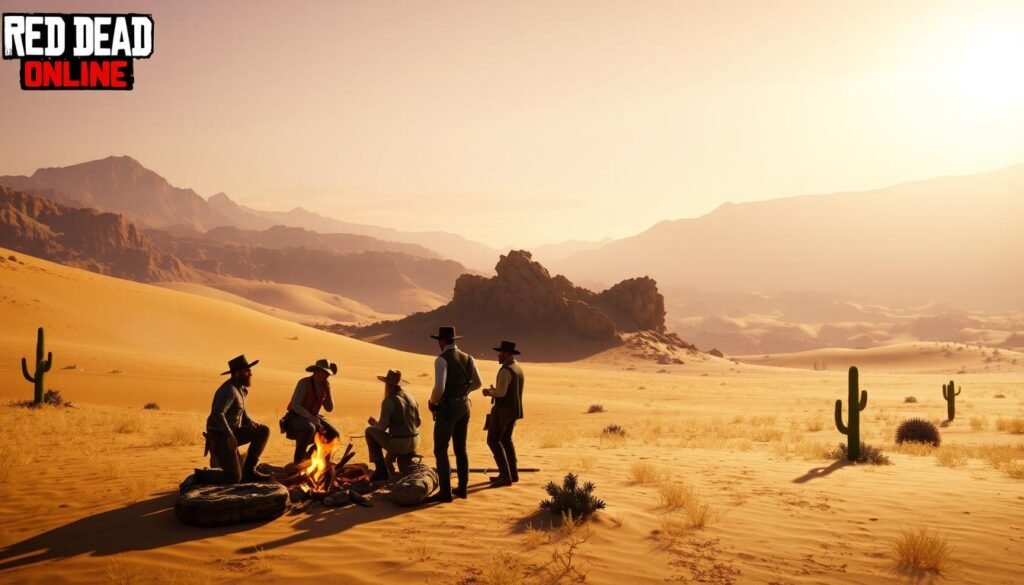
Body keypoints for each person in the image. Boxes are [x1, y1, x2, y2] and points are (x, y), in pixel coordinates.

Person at [425, 326, 482, 503]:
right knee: (461, 448)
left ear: (442, 341)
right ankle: (463, 488)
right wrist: (463, 392)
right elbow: (478, 383)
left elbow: (439, 387)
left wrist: (432, 402)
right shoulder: (469, 358)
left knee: (441, 449)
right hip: (465, 406)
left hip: (448, 408)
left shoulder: (441, 360)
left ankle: (445, 491)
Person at [196, 355, 271, 484]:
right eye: (247, 371)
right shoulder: (229, 390)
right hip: (221, 437)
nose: (250, 373)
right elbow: (218, 414)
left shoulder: (240, 389)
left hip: (233, 434)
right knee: (234, 478)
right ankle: (201, 475)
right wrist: (229, 435)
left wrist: (249, 422)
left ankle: (249, 471)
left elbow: (241, 411)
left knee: (263, 431)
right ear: (237, 373)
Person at [365, 369, 422, 481]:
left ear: (388, 384)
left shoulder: (389, 400)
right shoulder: (411, 397)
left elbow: (382, 427)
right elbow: (418, 422)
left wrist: (374, 423)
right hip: (415, 443)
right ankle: (389, 466)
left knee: (369, 431)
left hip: (400, 444)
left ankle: (379, 470)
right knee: (389, 458)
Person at [482, 340, 525, 487]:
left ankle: (505, 476)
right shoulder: (517, 367)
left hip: (503, 411)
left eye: (500, 353)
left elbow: (501, 393)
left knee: (493, 441)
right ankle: (512, 474)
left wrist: (489, 392)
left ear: (507, 353)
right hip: (513, 410)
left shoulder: (506, 370)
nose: (498, 355)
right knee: (506, 440)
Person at [281, 359, 340, 464]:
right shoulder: (304, 383)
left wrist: (328, 392)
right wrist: (311, 418)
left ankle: (311, 457)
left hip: (313, 417)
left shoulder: (324, 386)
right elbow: (295, 406)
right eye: (325, 373)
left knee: (334, 434)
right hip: (296, 417)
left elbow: (329, 408)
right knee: (310, 427)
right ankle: (298, 461)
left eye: (328, 374)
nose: (327, 376)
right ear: (317, 371)